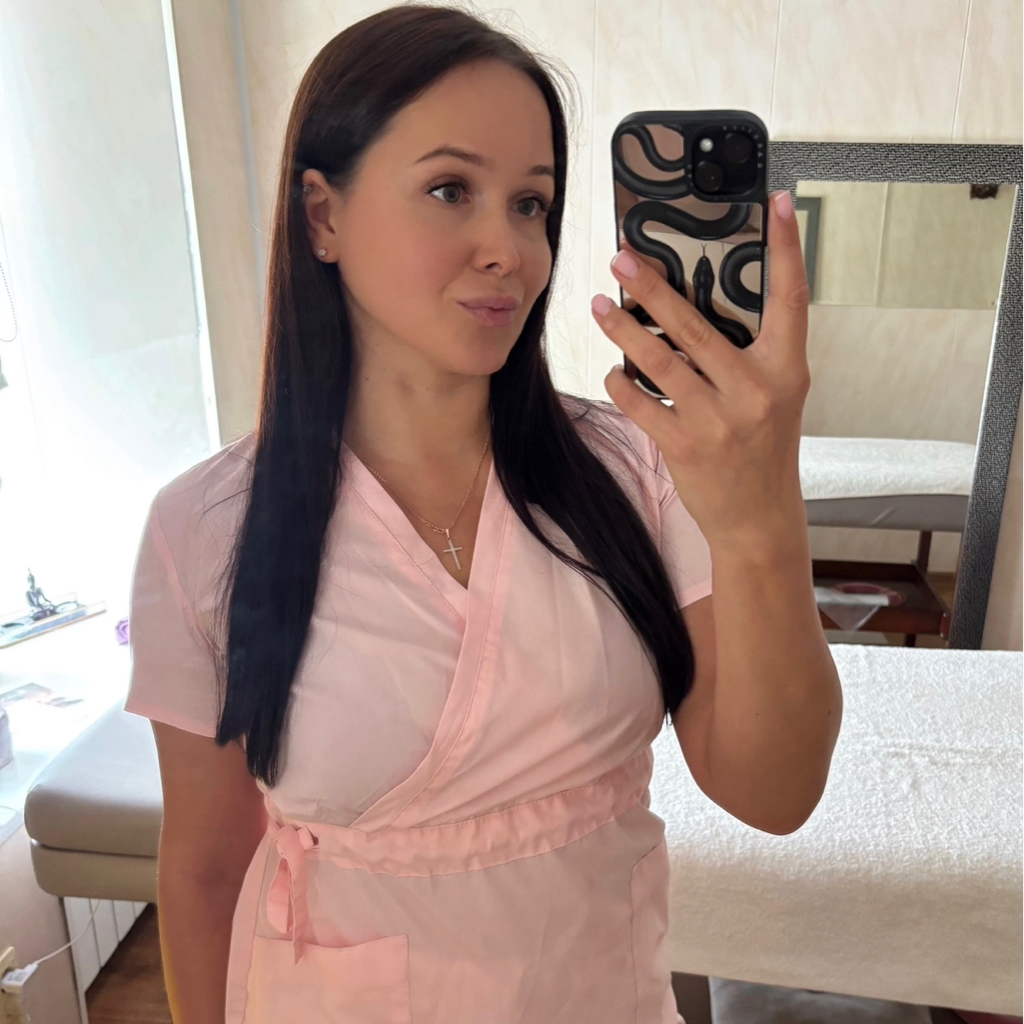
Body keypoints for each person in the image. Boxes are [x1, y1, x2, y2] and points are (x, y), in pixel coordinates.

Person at [124, 5, 843, 1022]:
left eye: (531, 203)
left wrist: (761, 517)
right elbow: (203, 870)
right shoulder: (204, 529)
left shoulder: (634, 467)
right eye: (450, 190)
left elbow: (775, 794)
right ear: (322, 216)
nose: (508, 248)